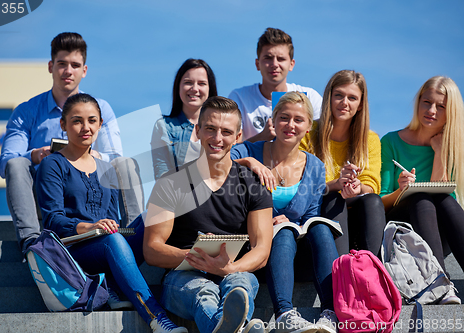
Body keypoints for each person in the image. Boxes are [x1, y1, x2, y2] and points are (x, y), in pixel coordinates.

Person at [35, 93, 187, 333]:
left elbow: (112, 218)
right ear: (63, 125)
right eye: (77, 121)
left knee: (152, 216)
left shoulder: (107, 168)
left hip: (108, 242)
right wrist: (89, 227)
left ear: (100, 124)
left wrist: (108, 228)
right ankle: (158, 319)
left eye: (92, 121)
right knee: (112, 239)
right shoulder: (52, 164)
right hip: (75, 251)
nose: (85, 127)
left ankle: (113, 283)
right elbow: (52, 220)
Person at [143, 96, 273, 333]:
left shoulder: (253, 183)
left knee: (239, 286)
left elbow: (262, 251)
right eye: (211, 129)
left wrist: (229, 269)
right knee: (204, 292)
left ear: (238, 137)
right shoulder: (170, 183)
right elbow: (152, 248)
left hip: (235, 270)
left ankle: (222, 326)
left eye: (226, 132)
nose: (217, 138)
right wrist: (199, 260)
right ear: (198, 131)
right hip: (182, 278)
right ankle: (239, 328)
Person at [0, 32, 122, 254]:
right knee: (17, 164)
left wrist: (88, 157)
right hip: (45, 196)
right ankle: (32, 243)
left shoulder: (101, 108)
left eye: (75, 65)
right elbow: (6, 163)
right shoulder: (26, 111)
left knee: (124, 165)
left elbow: (114, 158)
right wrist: (36, 155)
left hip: (87, 194)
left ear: (84, 70)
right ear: (50, 66)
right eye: (62, 64)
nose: (68, 71)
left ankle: (127, 237)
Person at [232, 91, 338, 333]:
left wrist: (293, 222)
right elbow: (216, 164)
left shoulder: (315, 166)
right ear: (273, 119)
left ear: (308, 127)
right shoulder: (250, 150)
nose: (290, 125)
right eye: (284, 118)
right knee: (283, 231)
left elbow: (311, 212)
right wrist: (251, 162)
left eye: (298, 120)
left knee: (319, 227)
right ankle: (284, 314)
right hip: (259, 245)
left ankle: (330, 312)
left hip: (297, 252)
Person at [380, 76, 464, 304]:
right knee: (421, 198)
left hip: (439, 232)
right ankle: (440, 284)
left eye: (441, 106)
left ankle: (441, 284)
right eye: (426, 102)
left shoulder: (452, 146)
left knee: (442, 199)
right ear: (418, 102)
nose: (431, 110)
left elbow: (445, 196)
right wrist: (401, 189)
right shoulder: (390, 142)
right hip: (403, 231)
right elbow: (380, 201)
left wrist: (439, 152)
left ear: (451, 112)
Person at [300, 70, 385, 257]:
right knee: (333, 198)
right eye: (338, 95)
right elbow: (303, 186)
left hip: (356, 216)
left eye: (352, 98)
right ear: (329, 97)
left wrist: (357, 186)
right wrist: (336, 184)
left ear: (361, 104)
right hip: (320, 212)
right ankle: (340, 274)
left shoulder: (370, 139)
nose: (344, 103)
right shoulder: (308, 131)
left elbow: (372, 184)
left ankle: (372, 271)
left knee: (372, 200)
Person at [228, 27, 322, 143]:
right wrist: (261, 138)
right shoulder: (239, 97)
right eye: (268, 58)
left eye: (281, 59)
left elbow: (324, 141)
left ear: (291, 64)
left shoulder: (310, 97)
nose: (274, 64)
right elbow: (230, 149)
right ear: (257, 64)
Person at [151, 58, 218, 179]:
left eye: (202, 83)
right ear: (178, 86)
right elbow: (162, 175)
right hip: (178, 195)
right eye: (188, 82)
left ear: (210, 88)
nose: (195, 89)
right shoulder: (163, 126)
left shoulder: (223, 127)